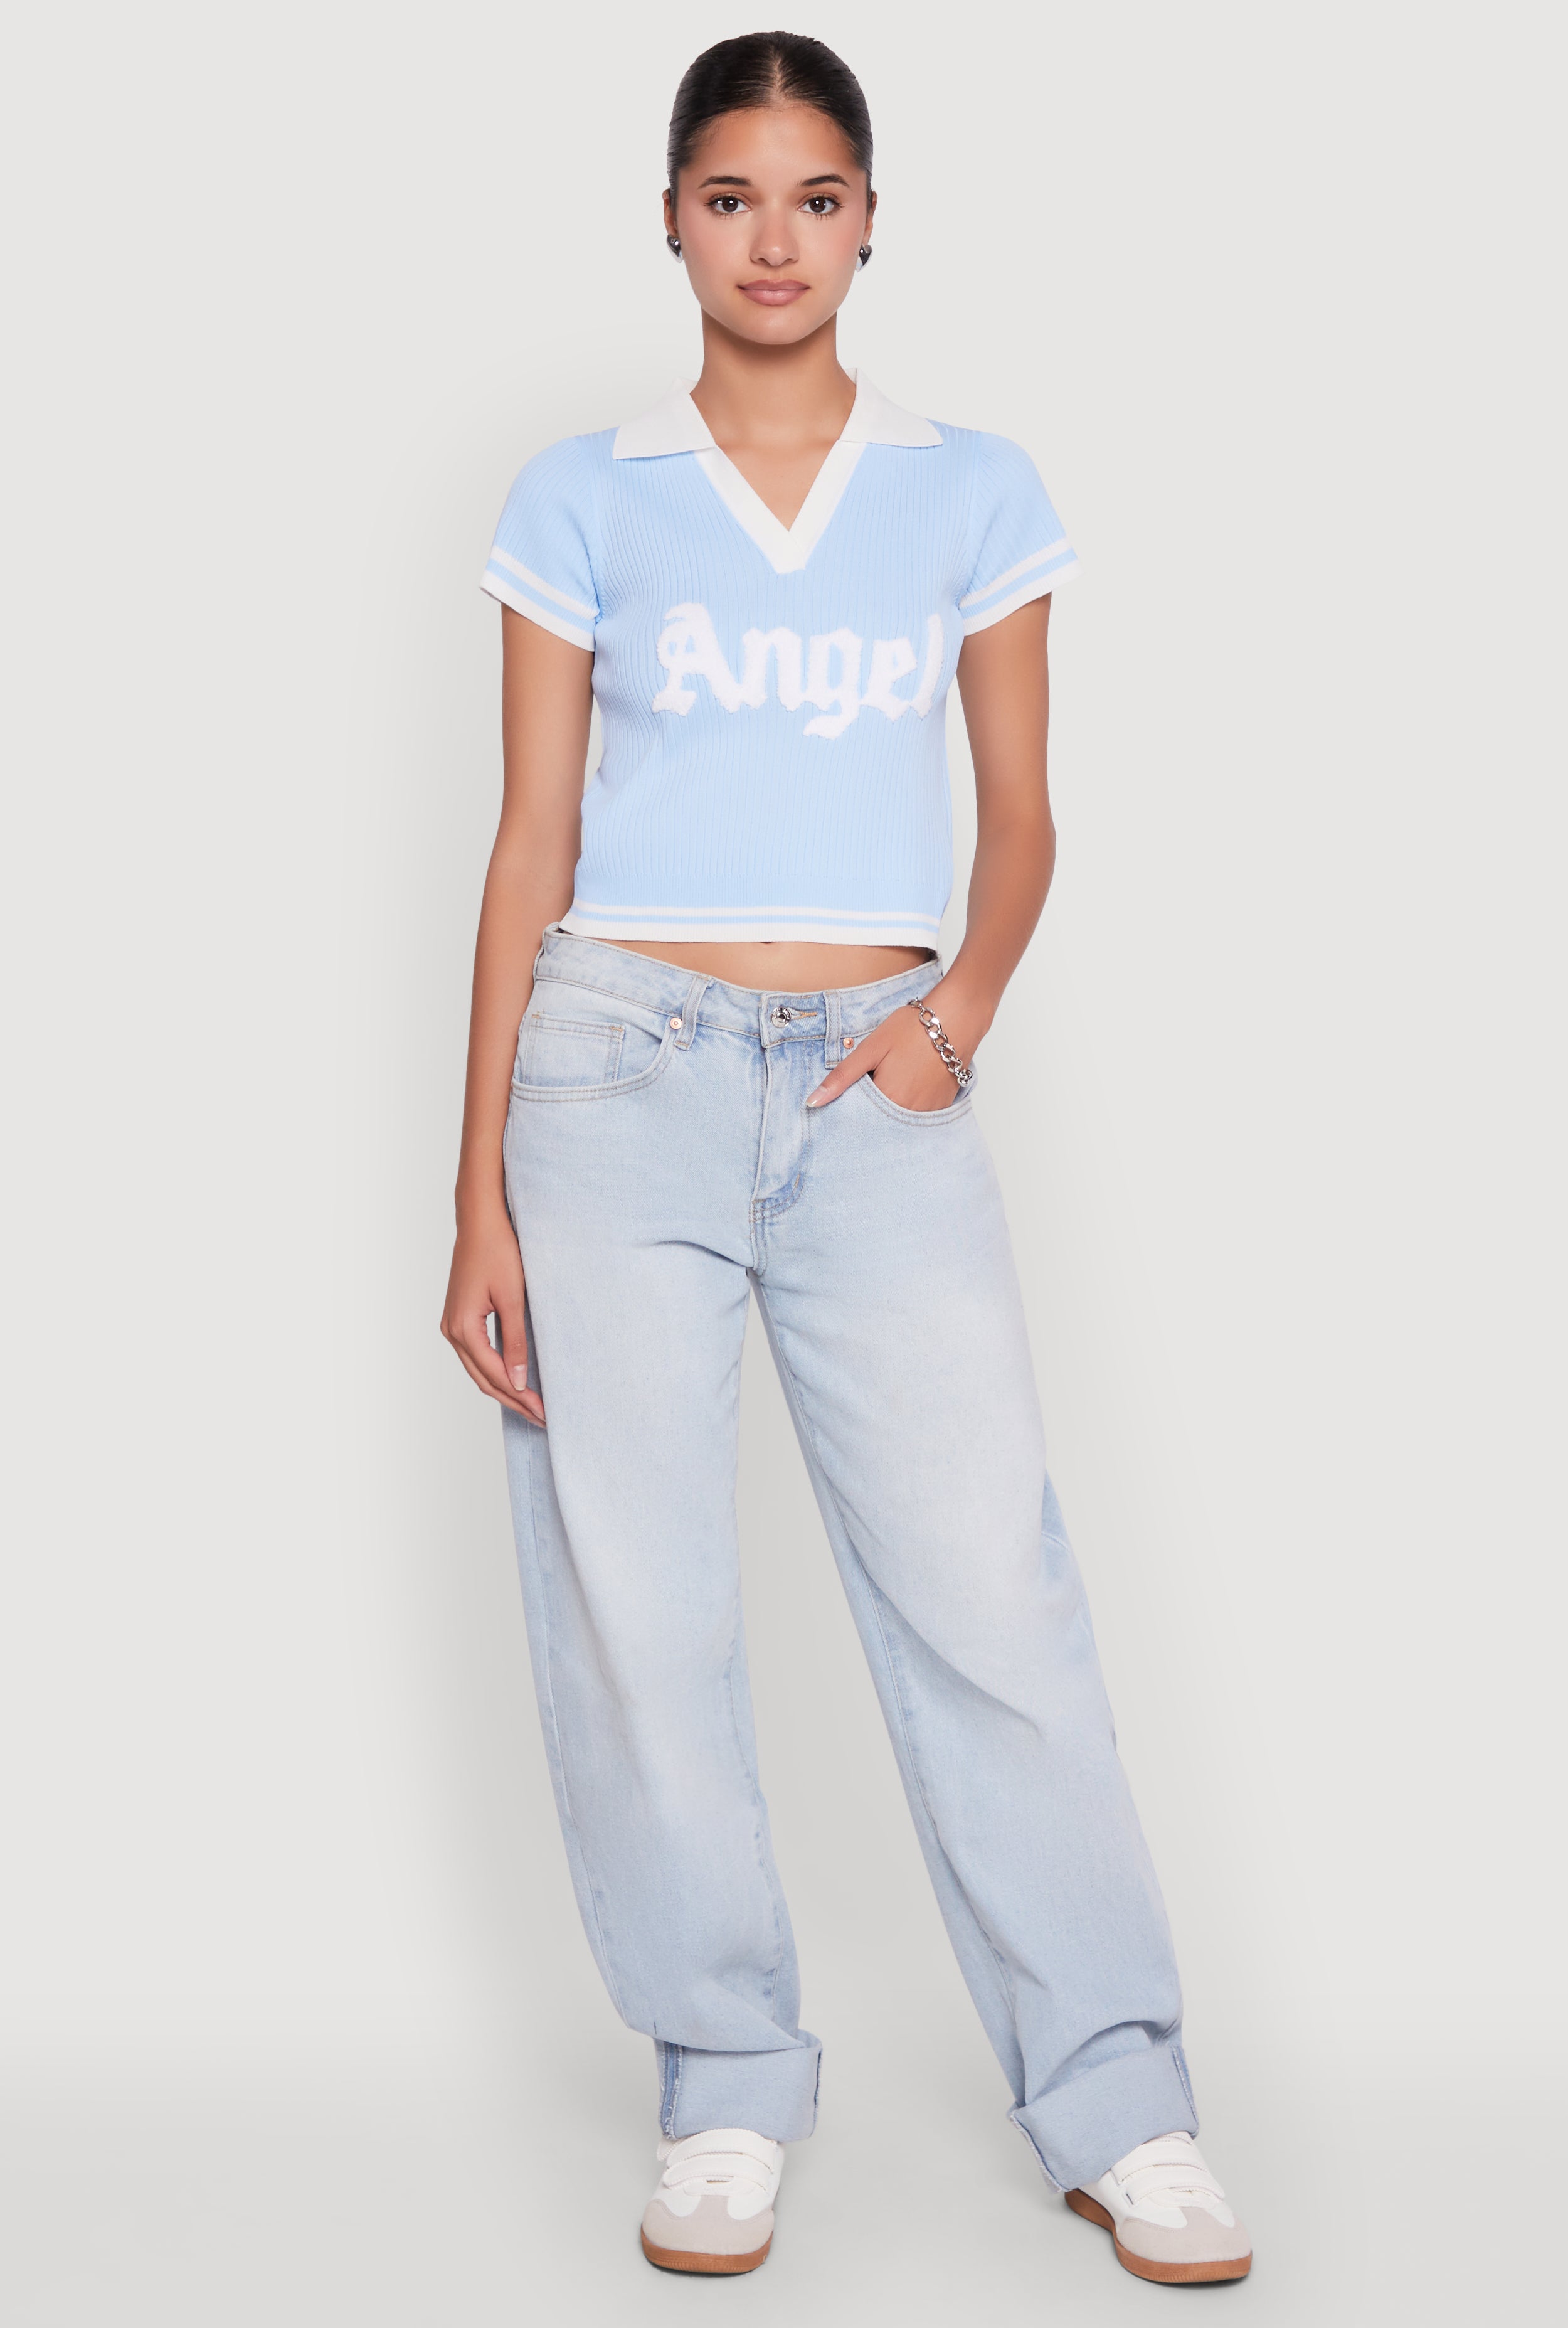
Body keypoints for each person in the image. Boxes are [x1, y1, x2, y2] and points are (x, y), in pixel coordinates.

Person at [441, 29, 1251, 2288]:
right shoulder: (581, 491)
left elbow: (1022, 817)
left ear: (871, 219)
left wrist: (949, 1022)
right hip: (613, 1075)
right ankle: (724, 2083)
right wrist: (475, 1188)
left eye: (813, 197)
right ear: (671, 221)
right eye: (730, 197)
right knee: (640, 1608)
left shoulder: (967, 487)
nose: (772, 239)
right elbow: (527, 842)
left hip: (871, 1087)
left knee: (990, 1586)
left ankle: (1119, 2099)